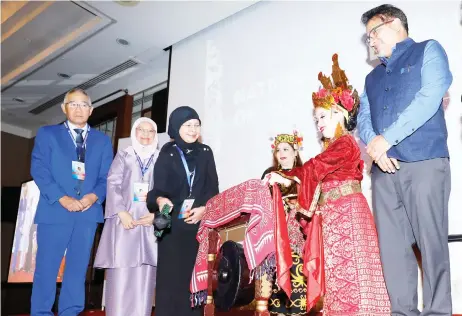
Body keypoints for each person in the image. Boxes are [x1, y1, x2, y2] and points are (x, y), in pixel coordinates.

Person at [267, 54, 390, 315]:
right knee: (340, 275)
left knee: (354, 275)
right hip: (336, 215)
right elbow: (316, 168)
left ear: (340, 114)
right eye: (317, 120)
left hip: (347, 213)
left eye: (323, 117)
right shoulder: (336, 146)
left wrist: (287, 175)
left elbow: (316, 167)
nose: (319, 124)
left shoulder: (345, 143)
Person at [358, 4, 453, 315]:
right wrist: (376, 146)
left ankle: (438, 311)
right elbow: (365, 117)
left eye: (372, 33)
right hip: (384, 173)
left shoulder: (429, 50)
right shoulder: (371, 78)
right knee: (394, 253)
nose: (369, 41)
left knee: (432, 244)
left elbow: (431, 96)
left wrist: (387, 139)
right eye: (367, 37)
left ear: (393, 23)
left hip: (424, 162)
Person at [30, 88, 113, 315]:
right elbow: (39, 169)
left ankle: (70, 312)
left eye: (84, 104)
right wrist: (61, 198)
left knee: (77, 270)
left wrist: (93, 196)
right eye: (73, 104)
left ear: (91, 109)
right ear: (64, 108)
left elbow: (108, 176)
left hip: (87, 214)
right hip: (55, 210)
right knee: (46, 268)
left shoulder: (103, 141)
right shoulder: (48, 134)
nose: (79, 109)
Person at [147, 106, 219, 316]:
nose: (193, 129)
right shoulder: (167, 152)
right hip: (171, 228)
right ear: (176, 127)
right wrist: (161, 200)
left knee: (194, 283)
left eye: (196, 125)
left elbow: (213, 187)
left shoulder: (206, 152)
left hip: (197, 225)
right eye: (188, 125)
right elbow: (157, 191)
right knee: (170, 283)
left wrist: (204, 209)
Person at [94, 117, 159, 316]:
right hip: (124, 223)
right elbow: (112, 183)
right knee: (120, 279)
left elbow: (167, 190)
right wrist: (121, 212)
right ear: (134, 132)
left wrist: (156, 215)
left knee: (144, 279)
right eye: (142, 130)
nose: (146, 135)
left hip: (148, 225)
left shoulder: (161, 158)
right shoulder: (124, 155)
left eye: (151, 131)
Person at [261, 132, 308, 316]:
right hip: (275, 237)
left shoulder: (305, 173)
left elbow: (311, 199)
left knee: (296, 278)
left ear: (295, 151)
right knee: (276, 283)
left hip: (298, 235)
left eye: (286, 149)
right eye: (278, 150)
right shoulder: (269, 175)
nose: (281, 153)